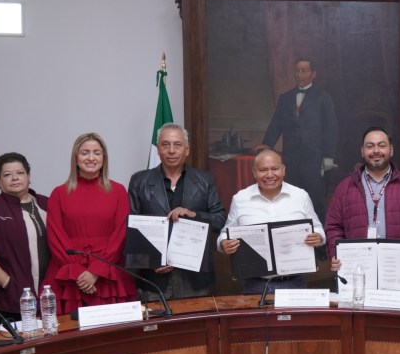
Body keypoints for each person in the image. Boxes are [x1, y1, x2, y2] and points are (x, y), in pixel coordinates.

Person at [128, 123, 227, 299]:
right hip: (155, 278)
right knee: (156, 318)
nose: (171, 151)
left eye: (177, 145)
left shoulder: (205, 180)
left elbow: (220, 220)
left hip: (195, 276)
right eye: (165, 145)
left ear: (187, 149)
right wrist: (150, 262)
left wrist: (194, 215)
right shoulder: (139, 181)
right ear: (158, 150)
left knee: (197, 318)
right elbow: (131, 229)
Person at [43, 133, 137, 315]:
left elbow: (121, 235)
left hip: (108, 273)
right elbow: (55, 237)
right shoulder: (58, 193)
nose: (91, 158)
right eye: (85, 153)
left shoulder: (118, 191)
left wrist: (96, 271)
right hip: (69, 274)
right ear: (76, 157)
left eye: (97, 153)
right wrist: (79, 273)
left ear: (104, 158)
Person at [325, 127, 400, 278]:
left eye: (381, 145)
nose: (376, 151)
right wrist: (336, 253)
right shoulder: (345, 187)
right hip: (358, 271)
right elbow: (333, 226)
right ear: (362, 151)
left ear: (391, 150)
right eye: (370, 146)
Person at [218, 150, 326, 293]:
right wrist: (223, 243)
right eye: (263, 170)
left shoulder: (300, 196)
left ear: (283, 170)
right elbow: (225, 233)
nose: (270, 175)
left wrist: (318, 237)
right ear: (254, 172)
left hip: (293, 282)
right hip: (254, 284)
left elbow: (318, 228)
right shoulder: (240, 199)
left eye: (275, 169)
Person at [0, 153, 50, 319]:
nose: (15, 178)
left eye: (20, 173)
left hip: (47, 295)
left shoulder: (47, 204)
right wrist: (8, 284)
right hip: (4, 300)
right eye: (7, 175)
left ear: (29, 176)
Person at [259, 58, 338, 218]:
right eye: (297, 71)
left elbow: (330, 127)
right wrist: (267, 144)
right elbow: (276, 123)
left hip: (314, 156)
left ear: (313, 74)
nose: (299, 74)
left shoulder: (323, 97)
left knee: (315, 195)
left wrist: (328, 155)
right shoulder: (286, 98)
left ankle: (318, 231)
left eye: (304, 71)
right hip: (291, 156)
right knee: (291, 194)